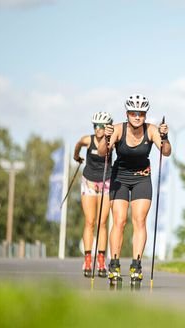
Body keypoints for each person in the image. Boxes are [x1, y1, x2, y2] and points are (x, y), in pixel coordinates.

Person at [98, 93, 171, 283]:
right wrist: (106, 139)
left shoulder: (152, 130)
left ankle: (136, 265)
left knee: (139, 220)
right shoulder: (117, 129)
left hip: (141, 178)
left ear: (145, 115)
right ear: (127, 114)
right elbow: (101, 152)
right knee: (120, 221)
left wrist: (165, 137)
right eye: (133, 113)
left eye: (141, 113)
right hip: (119, 178)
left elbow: (166, 152)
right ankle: (113, 264)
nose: (137, 117)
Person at [73, 111, 113, 278]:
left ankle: (101, 260)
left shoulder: (112, 141)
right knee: (89, 222)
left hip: (106, 182)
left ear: (107, 127)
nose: (98, 129)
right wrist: (77, 156)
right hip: (89, 182)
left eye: (102, 126)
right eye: (96, 126)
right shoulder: (87, 140)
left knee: (102, 223)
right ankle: (88, 259)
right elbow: (78, 145)